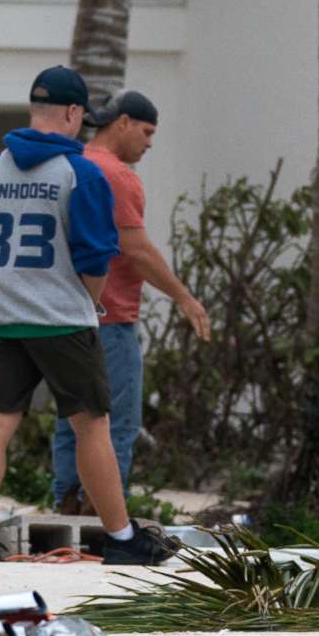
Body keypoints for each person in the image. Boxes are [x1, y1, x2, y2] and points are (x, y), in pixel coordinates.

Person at [0, 65, 170, 567]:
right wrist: (87, 301)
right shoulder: (80, 173)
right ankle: (120, 538)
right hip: (61, 318)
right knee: (91, 425)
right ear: (74, 113)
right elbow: (97, 257)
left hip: (2, 319)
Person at [48, 90, 210, 513]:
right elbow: (135, 250)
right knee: (116, 423)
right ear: (121, 122)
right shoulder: (115, 174)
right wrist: (185, 298)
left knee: (72, 422)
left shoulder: (72, 164)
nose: (150, 143)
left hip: (63, 318)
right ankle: (104, 516)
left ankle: (67, 507)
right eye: (146, 131)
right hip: (110, 318)